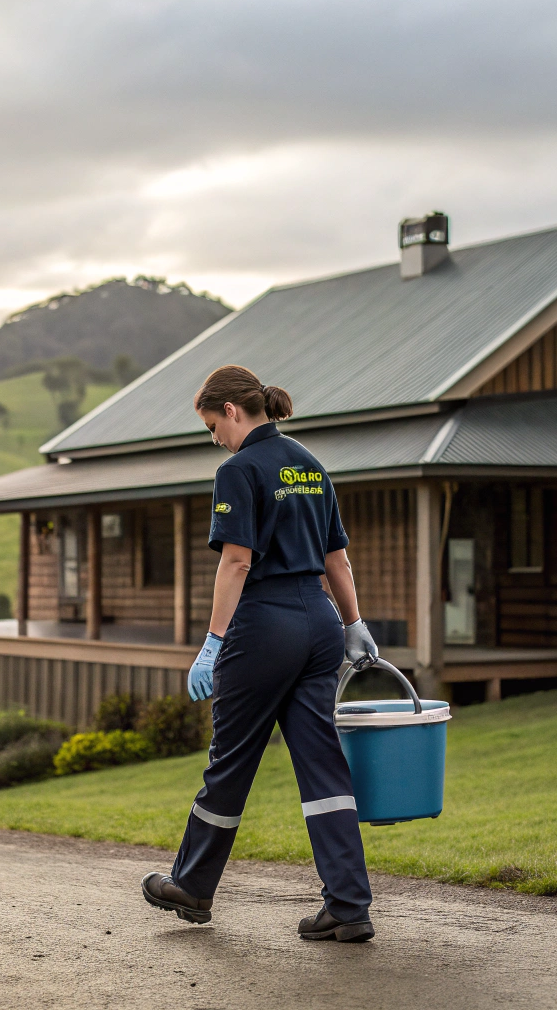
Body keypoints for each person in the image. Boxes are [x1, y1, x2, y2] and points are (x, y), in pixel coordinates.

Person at [141, 364, 379, 943]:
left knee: (232, 756)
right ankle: (349, 906)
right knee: (323, 763)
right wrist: (355, 622)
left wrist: (213, 641)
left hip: (265, 624)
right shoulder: (310, 465)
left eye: (210, 425)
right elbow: (337, 561)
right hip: (320, 622)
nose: (213, 438)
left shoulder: (238, 469)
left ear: (231, 411)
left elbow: (237, 562)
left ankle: (193, 886)